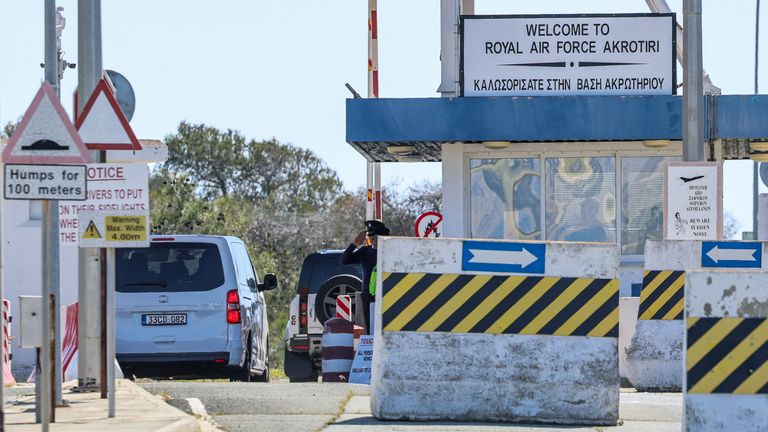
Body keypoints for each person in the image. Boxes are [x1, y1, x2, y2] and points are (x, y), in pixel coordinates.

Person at [340, 220, 390, 334]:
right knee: (370, 326)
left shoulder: (391, 251)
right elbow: (344, 260)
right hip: (368, 294)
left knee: (386, 326)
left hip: (387, 293)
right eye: (371, 236)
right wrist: (354, 244)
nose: (372, 239)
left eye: (375, 236)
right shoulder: (365, 251)